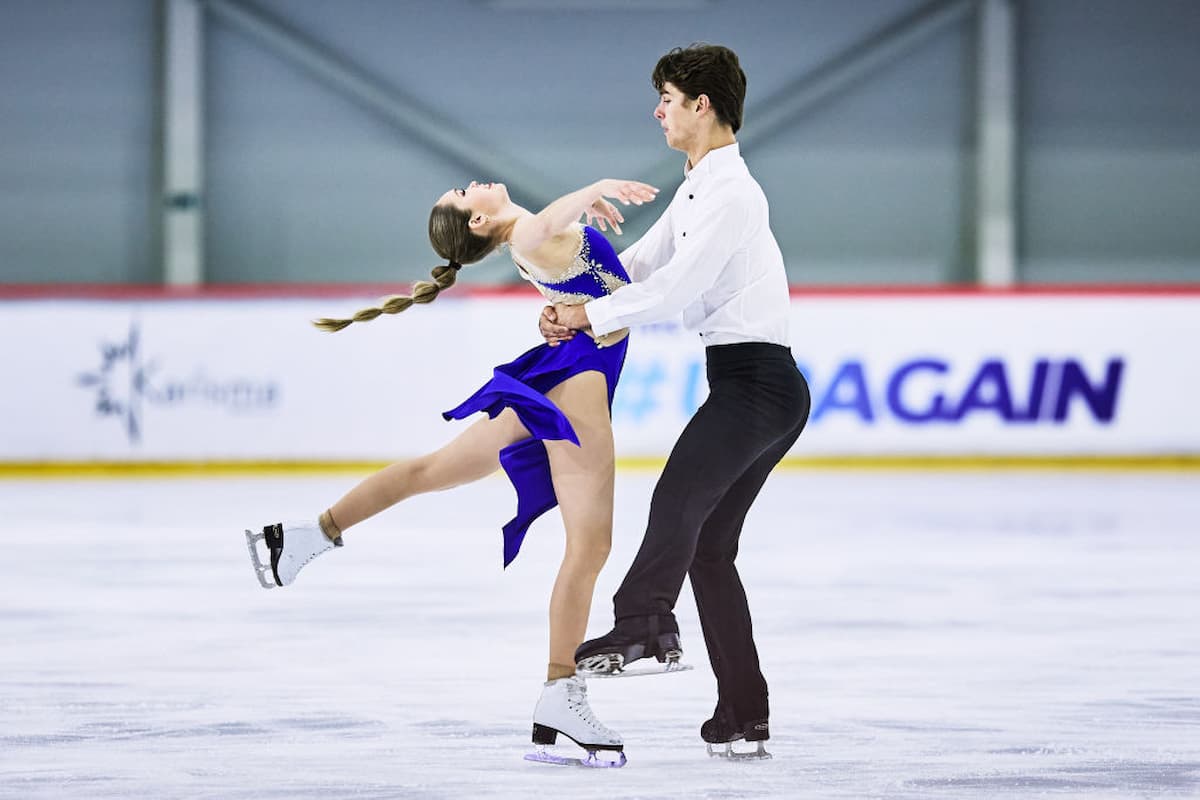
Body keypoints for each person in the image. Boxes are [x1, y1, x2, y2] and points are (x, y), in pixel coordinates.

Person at [243, 175, 658, 765]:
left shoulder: (535, 237)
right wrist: (594, 188)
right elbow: (551, 233)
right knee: (588, 547)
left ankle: (309, 536)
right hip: (576, 385)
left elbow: (601, 290)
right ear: (479, 224)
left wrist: (577, 227)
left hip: (558, 371)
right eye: (464, 198)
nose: (469, 186)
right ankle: (561, 696)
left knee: (435, 470)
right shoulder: (532, 234)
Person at [539, 44, 811, 756]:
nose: (658, 110)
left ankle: (643, 624)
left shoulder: (734, 193)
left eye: (667, 97)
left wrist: (593, 318)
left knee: (677, 500)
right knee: (710, 550)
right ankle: (743, 711)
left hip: (760, 385)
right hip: (748, 384)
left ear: (703, 104)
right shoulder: (696, 185)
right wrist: (571, 300)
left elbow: (677, 289)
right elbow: (638, 268)